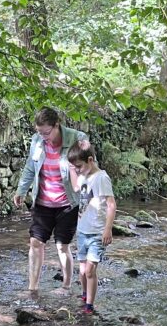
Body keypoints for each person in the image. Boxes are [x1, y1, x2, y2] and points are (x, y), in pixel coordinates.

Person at [12, 107, 89, 294]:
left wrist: (88, 202)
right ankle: (33, 288)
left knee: (62, 246)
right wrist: (21, 190)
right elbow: (30, 167)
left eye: (46, 132)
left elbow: (88, 171)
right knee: (35, 242)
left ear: (57, 126)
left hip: (67, 204)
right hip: (42, 202)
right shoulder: (37, 141)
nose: (43, 136)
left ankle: (66, 285)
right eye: (39, 132)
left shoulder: (77, 139)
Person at [67, 141, 115, 315]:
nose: (77, 169)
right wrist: (73, 170)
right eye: (75, 167)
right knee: (82, 270)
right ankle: (85, 294)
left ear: (90, 160)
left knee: (90, 270)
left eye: (79, 166)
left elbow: (111, 204)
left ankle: (89, 305)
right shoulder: (83, 175)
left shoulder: (101, 178)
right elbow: (75, 187)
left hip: (96, 232)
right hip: (82, 231)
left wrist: (108, 229)